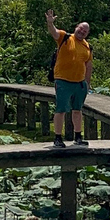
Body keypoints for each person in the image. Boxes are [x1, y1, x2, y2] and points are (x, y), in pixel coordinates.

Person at [45, 9, 93, 148]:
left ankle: (78, 136)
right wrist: (50, 23)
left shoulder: (88, 47)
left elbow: (88, 66)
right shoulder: (65, 37)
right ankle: (58, 138)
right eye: (81, 28)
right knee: (61, 109)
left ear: (87, 34)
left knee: (77, 110)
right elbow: (53, 32)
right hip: (63, 81)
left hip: (79, 83)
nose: (82, 32)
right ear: (76, 27)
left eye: (85, 31)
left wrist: (87, 83)